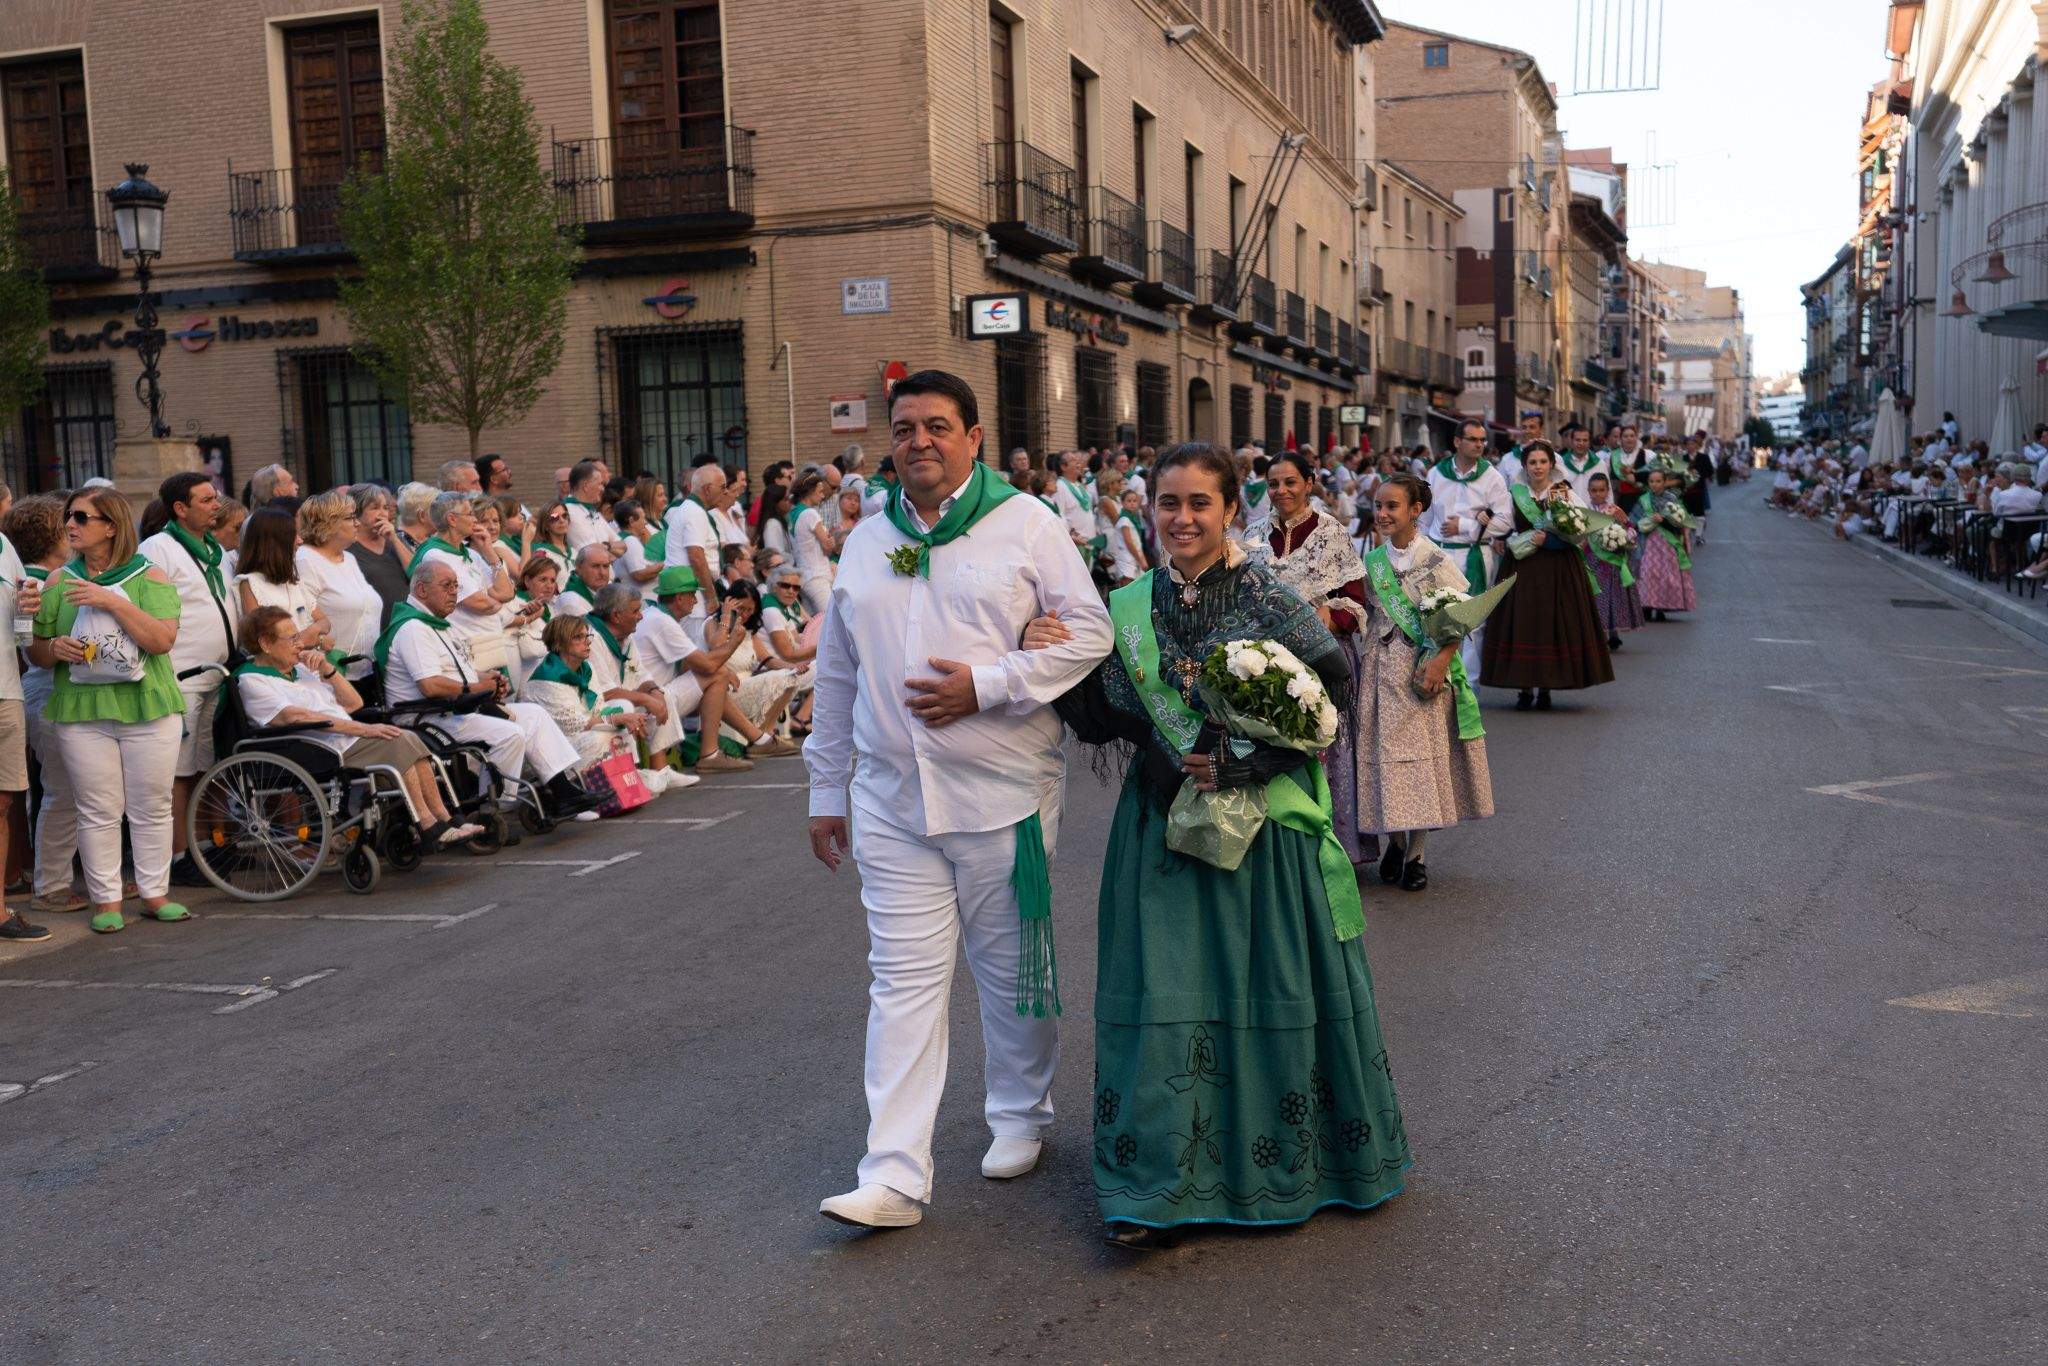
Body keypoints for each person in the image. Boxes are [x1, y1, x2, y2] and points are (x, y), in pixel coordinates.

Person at [1021, 441, 1409, 1247]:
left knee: (1262, 984)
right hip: (1160, 827)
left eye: (1201, 503)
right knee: (1162, 993)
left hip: (1261, 831)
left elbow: (1330, 694)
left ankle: (1278, 1165)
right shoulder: (1126, 605)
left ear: (1232, 509)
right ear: (1149, 510)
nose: (1183, 518)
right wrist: (1049, 655)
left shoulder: (1268, 594)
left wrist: (1247, 759)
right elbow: (1104, 720)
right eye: (1169, 503)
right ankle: (1152, 1188)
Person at [804, 369, 1112, 1231]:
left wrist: (990, 683)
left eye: (938, 426)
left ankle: (1020, 1115)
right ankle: (894, 1174)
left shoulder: (1026, 524)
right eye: (904, 429)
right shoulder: (868, 537)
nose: (920, 442)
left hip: (1004, 796)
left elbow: (1089, 631)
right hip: (891, 802)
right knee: (900, 983)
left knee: (1014, 975)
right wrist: (826, 789)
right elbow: (837, 673)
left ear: (974, 438)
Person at [28, 488, 191, 934]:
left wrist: (112, 601)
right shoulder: (58, 581)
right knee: (97, 807)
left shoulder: (150, 576)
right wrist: (54, 648)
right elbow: (38, 655)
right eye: (69, 517)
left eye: (81, 517)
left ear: (112, 527)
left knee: (152, 805)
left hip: (148, 706)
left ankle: (155, 893)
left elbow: (161, 640)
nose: (70, 525)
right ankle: (106, 900)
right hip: (81, 709)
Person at [235, 606, 481, 846]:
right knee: (397, 741)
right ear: (265, 644)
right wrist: (366, 729)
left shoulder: (300, 670)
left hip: (341, 739)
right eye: (292, 638)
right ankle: (428, 825)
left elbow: (354, 703)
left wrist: (327, 668)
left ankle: (446, 818)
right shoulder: (252, 680)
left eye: (298, 636)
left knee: (409, 738)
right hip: (316, 747)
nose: (300, 644)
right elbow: (295, 718)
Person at [1354, 472, 1493, 892]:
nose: (1382, 513)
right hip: (1379, 671)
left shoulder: (1435, 560)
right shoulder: (1371, 559)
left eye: (1392, 506)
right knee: (1387, 758)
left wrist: (1442, 661)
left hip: (1422, 673)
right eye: (1378, 505)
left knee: (1420, 763)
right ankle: (1394, 840)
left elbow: (1460, 620)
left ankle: (1416, 853)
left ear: (1416, 510)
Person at [375, 560, 600, 818]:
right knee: (510, 733)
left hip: (453, 709)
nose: (454, 593)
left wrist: (489, 680)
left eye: (456, 586)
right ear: (423, 591)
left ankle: (562, 791)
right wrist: (475, 687)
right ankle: (493, 808)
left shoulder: (434, 624)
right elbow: (430, 684)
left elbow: (459, 673)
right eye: (447, 586)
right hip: (427, 717)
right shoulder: (413, 629)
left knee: (533, 714)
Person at [1263, 449, 1367, 865]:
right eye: (1273, 483)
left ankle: (1331, 851)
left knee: (1327, 749)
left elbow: (1356, 600)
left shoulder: (1331, 534)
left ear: (1309, 483)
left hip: (1323, 659)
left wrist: (1331, 616)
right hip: (1269, 660)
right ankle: (1284, 852)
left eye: (1290, 482)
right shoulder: (1254, 535)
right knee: (1274, 748)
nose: (1281, 490)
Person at [138, 471, 237, 888]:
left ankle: (204, 844)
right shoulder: (158, 549)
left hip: (215, 674)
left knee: (204, 766)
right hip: (182, 675)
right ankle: (178, 855)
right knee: (178, 771)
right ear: (180, 508)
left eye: (215, 499)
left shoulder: (213, 547)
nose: (216, 506)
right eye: (206, 500)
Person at [1479, 441, 1614, 710]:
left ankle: (1546, 688)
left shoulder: (1563, 493)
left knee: (1554, 624)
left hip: (1557, 568)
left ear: (1551, 464)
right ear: (1524, 466)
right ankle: (1524, 687)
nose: (1538, 467)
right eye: (1532, 462)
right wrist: (1488, 520)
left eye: (1543, 462)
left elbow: (1581, 531)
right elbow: (1503, 521)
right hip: (1521, 568)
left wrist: (1550, 540)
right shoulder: (1515, 492)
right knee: (1522, 623)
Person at [633, 566, 784, 774]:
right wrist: (733, 642)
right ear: (679, 598)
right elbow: (709, 663)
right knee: (718, 674)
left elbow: (690, 664)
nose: (695, 601)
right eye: (692, 595)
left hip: (655, 697)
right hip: (652, 703)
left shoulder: (658, 616)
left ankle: (758, 739)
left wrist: (718, 667)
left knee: (718, 674)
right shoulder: (662, 621)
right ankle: (713, 753)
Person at [522, 613, 686, 801]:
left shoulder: (586, 669)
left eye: (587, 636)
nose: (587, 642)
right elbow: (575, 725)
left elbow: (599, 708)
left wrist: (625, 719)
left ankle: (627, 778)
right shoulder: (548, 679)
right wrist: (617, 719)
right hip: (555, 749)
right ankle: (578, 793)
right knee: (602, 735)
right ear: (560, 643)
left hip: (580, 732)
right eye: (578, 637)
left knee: (623, 710)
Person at [1424, 420, 1513, 679]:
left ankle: (1469, 688)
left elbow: (1504, 521)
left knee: (1473, 624)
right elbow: (1426, 519)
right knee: (1436, 617)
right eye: (1473, 439)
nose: (1479, 445)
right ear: (1457, 442)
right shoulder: (1436, 473)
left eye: (1482, 440)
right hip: (1439, 554)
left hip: (1474, 554)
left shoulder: (1491, 476)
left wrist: (1465, 525)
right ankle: (1437, 681)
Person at [582, 583, 686, 776]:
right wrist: (647, 699)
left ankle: (661, 770)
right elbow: (606, 692)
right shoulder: (591, 637)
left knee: (663, 694)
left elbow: (642, 675)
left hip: (618, 699)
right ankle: (634, 775)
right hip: (594, 708)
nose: (641, 616)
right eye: (635, 611)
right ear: (616, 616)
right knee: (625, 706)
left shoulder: (625, 636)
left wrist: (654, 691)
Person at [295, 489, 383, 681]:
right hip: (331, 675)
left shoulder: (349, 558)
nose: (357, 523)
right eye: (350, 518)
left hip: (367, 672)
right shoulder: (305, 560)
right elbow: (303, 616)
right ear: (329, 523)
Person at [234, 507, 333, 657]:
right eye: (294, 535)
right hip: (276, 674)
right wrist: (307, 639)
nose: (300, 541)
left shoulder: (293, 582)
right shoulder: (249, 584)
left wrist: (314, 632)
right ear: (275, 542)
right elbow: (261, 637)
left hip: (308, 669)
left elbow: (324, 621)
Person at [1582, 472, 1644, 650]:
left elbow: (1631, 529)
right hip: (1592, 560)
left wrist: (1622, 538)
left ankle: (1613, 633)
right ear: (1588, 491)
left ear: (1607, 490)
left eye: (1602, 490)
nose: (1598, 494)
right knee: (1596, 596)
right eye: (1594, 490)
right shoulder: (1584, 512)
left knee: (1612, 596)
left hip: (1612, 562)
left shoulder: (1615, 510)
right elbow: (1579, 535)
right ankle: (1598, 634)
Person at [1634, 462, 1697, 622]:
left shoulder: (1672, 499)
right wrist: (1647, 520)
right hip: (1647, 543)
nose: (1655, 484)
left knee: (1664, 575)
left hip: (1667, 544)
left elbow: (1680, 522)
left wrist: (1663, 520)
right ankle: (1646, 606)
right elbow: (1633, 520)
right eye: (1651, 481)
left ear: (1664, 482)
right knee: (1648, 572)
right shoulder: (1643, 500)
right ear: (1648, 483)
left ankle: (1661, 607)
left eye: (1658, 481)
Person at [663, 463, 725, 615]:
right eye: (722, 487)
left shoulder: (693, 509)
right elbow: (696, 556)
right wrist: (710, 598)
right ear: (707, 489)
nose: (725, 492)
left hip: (692, 592)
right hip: (693, 596)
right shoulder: (694, 512)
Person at [346, 484, 409, 623]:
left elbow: (417, 574)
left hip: (406, 624)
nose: (383, 514)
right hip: (375, 629)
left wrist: (395, 540)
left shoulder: (395, 540)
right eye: (375, 508)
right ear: (356, 512)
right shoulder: (348, 548)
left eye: (385, 508)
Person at [788, 472, 836, 615]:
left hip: (804, 576)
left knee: (813, 625)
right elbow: (827, 546)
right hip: (817, 576)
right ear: (810, 491)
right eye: (820, 492)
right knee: (830, 619)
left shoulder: (793, 513)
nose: (822, 496)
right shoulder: (810, 514)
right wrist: (831, 542)